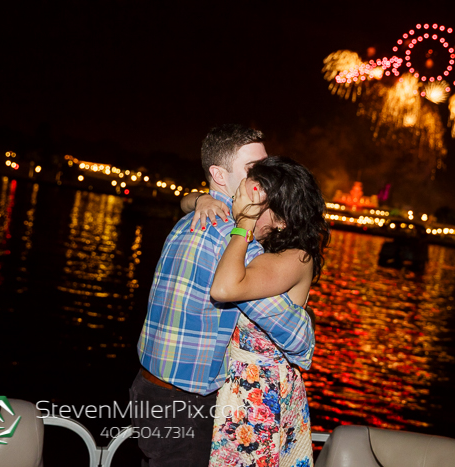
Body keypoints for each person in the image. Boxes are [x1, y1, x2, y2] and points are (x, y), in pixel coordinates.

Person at [131, 124, 315, 467]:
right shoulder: (233, 242)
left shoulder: (192, 218)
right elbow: (293, 336)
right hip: (183, 402)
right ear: (219, 174)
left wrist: (196, 198)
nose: (265, 178)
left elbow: (187, 201)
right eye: (253, 171)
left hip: (149, 387)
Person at [206, 157, 330, 467]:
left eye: (256, 203)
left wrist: (244, 223)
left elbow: (224, 289)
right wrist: (201, 200)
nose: (242, 204)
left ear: (283, 219)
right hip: (239, 386)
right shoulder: (264, 247)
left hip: (260, 394)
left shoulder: (296, 257)